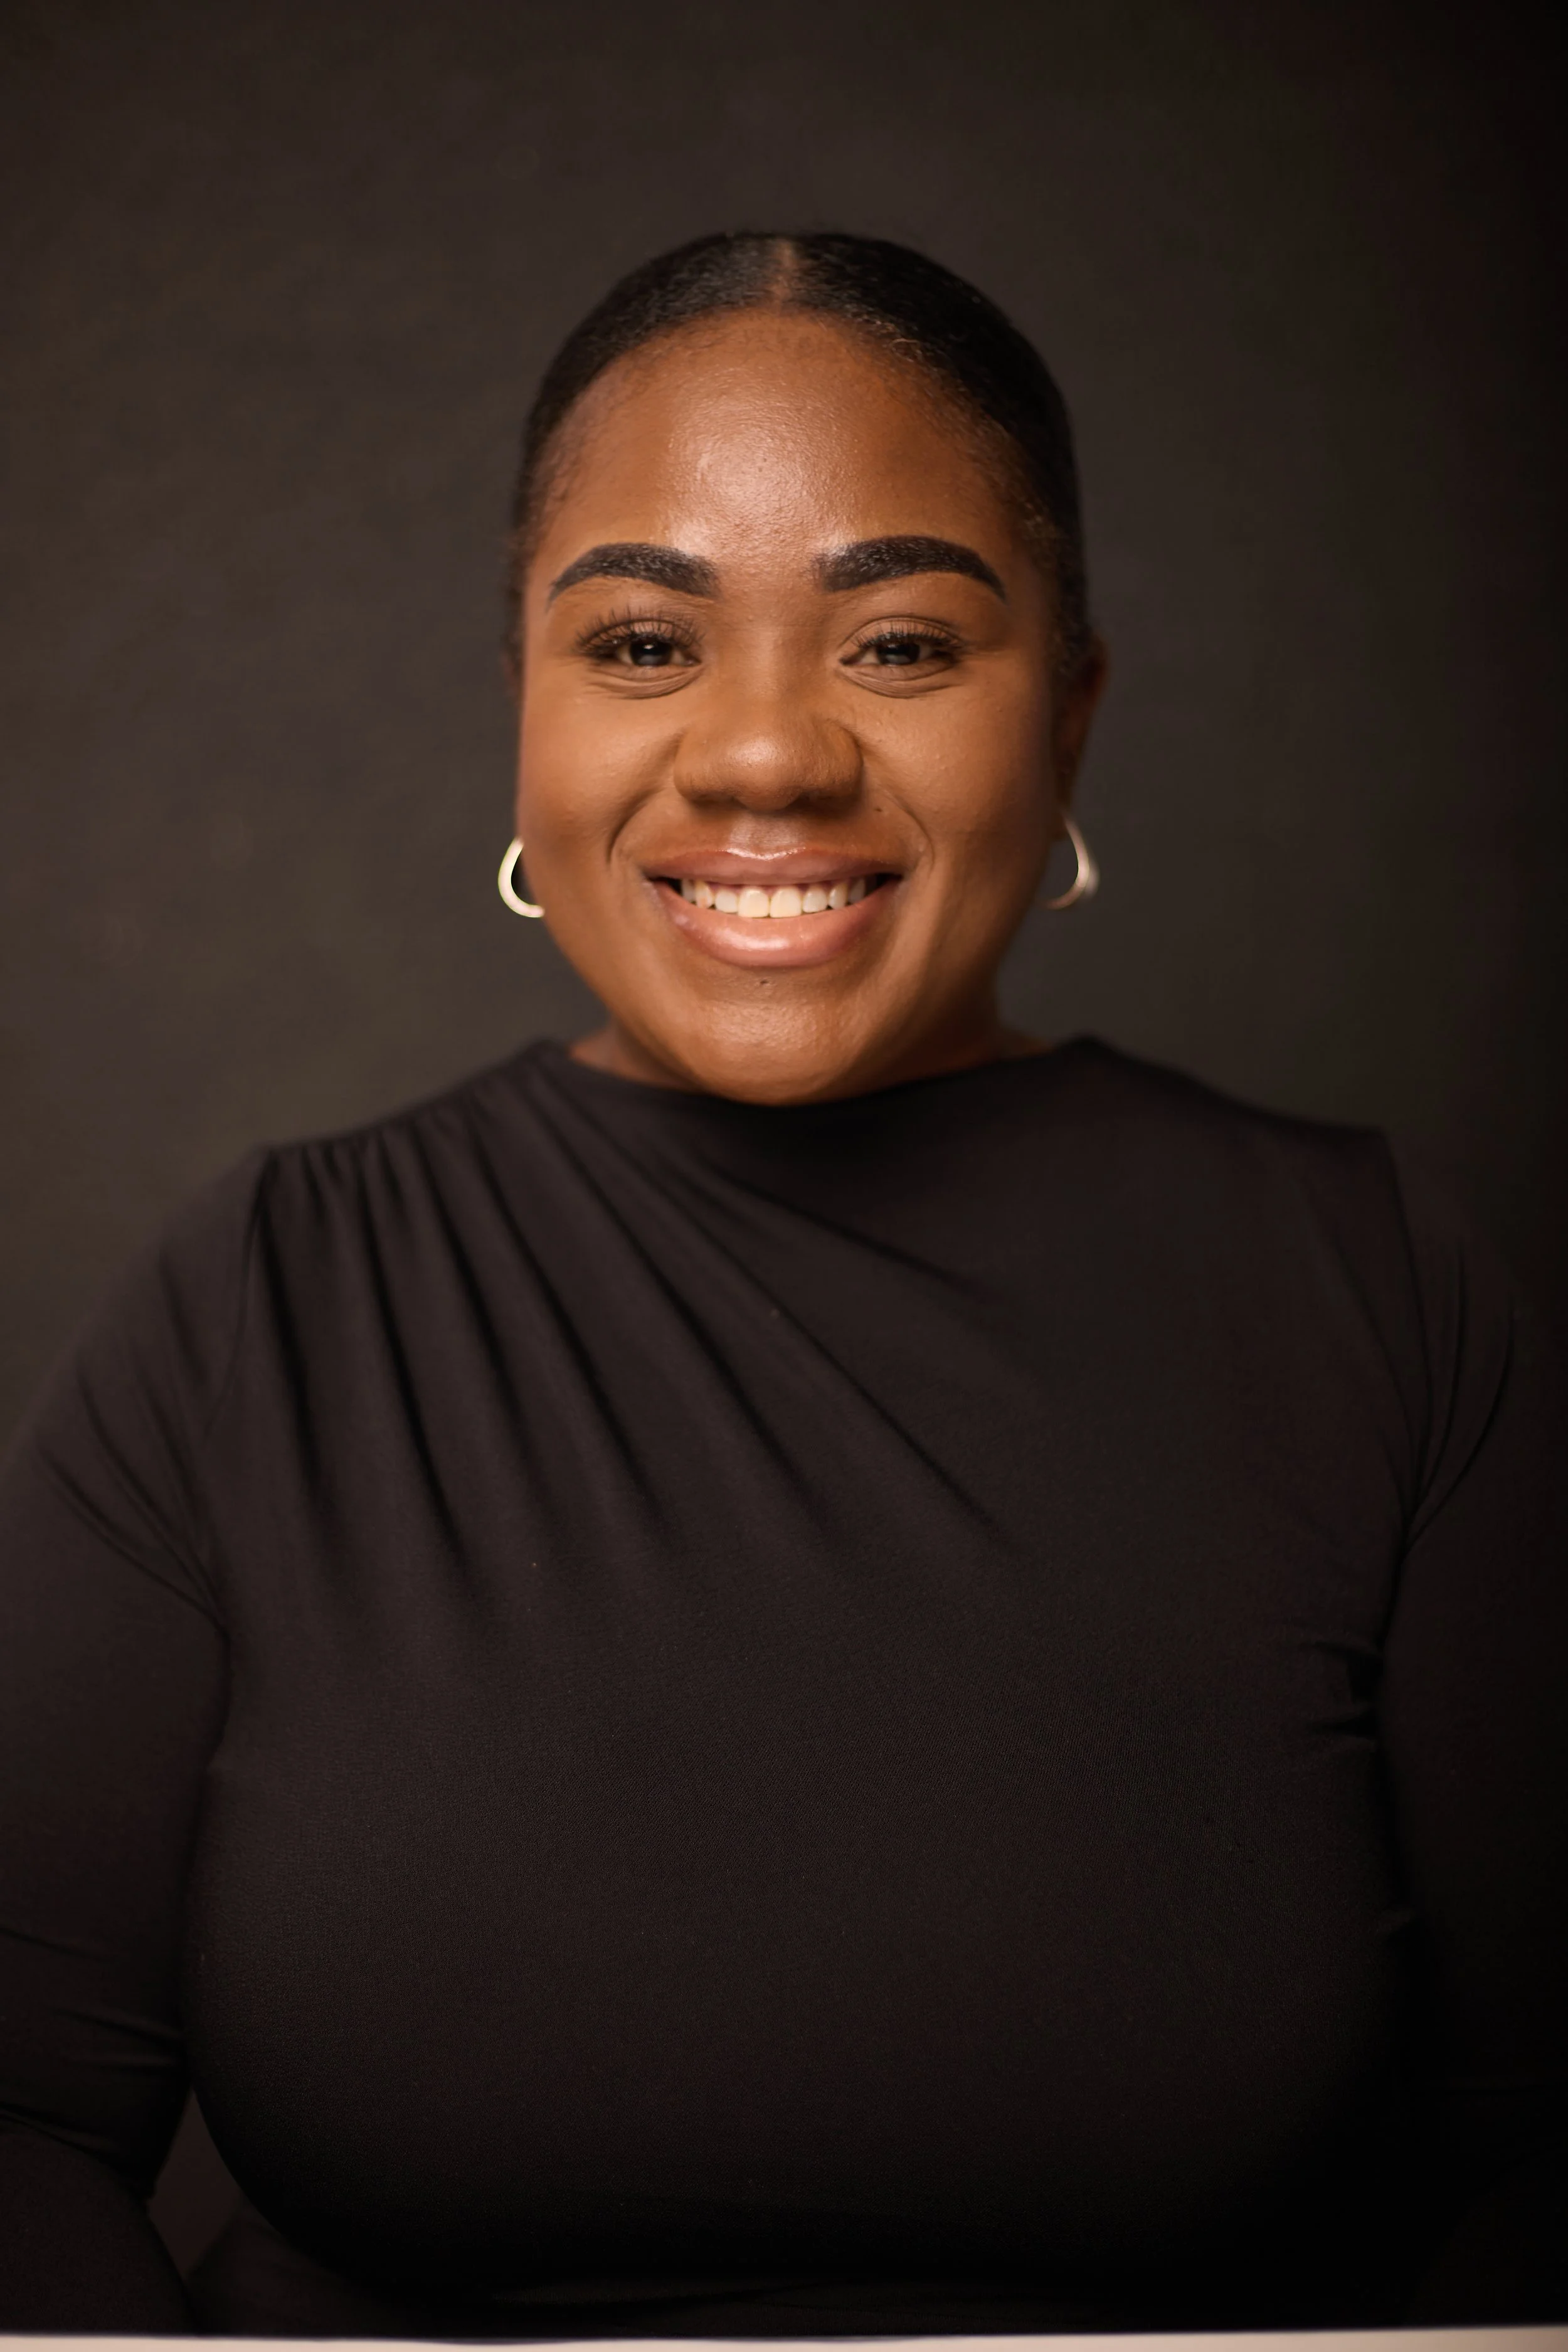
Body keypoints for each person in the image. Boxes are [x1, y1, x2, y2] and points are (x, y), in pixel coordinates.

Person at [1, 230, 1563, 2338]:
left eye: (899, 643)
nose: (760, 757)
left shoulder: (1379, 1290)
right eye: (642, 642)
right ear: (524, 709)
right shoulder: (253, 1308)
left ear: (1068, 712)